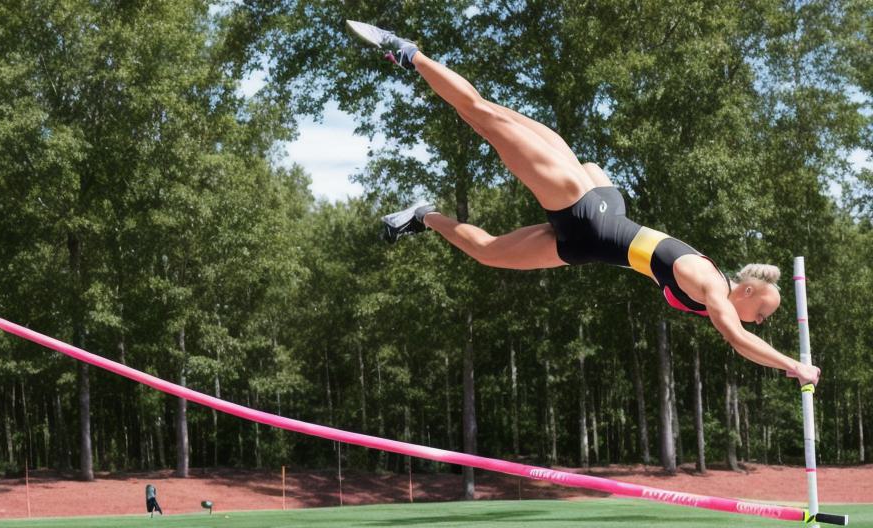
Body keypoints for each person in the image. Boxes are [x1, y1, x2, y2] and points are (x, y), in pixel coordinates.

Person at [345, 21, 819, 386]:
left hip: (588, 230)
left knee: (488, 251)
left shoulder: (720, 291)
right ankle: (406, 51)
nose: (760, 321)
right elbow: (738, 342)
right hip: (586, 210)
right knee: (484, 116)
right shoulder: (710, 284)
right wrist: (796, 366)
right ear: (749, 291)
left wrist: (783, 366)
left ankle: (421, 215)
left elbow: (746, 340)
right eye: (762, 313)